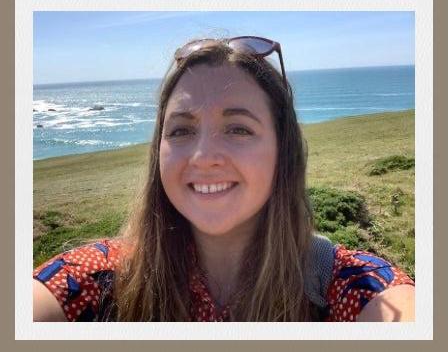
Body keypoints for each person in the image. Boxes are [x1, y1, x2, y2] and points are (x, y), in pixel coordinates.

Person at [33, 36, 415, 322]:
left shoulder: (350, 286)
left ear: (283, 152)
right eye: (181, 130)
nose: (204, 157)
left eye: (238, 129)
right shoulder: (100, 278)